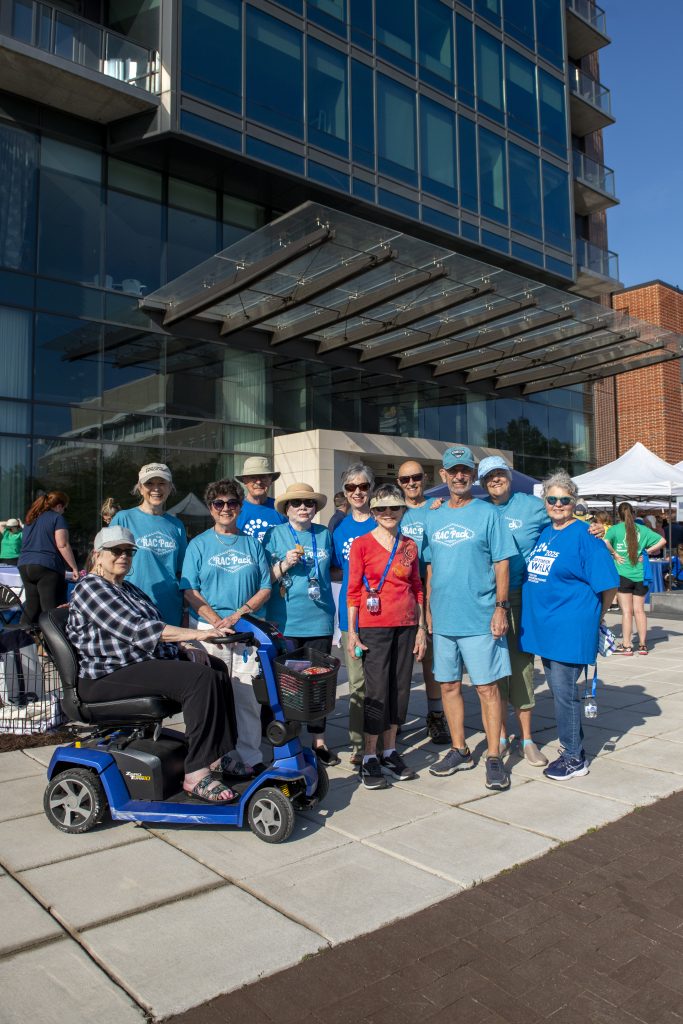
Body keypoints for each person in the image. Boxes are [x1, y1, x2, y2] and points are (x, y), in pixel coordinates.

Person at [67, 526, 239, 803]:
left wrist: (184, 648)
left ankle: (218, 756)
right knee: (198, 680)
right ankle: (195, 773)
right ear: (98, 556)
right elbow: (138, 630)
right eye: (116, 551)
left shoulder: (129, 590)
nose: (123, 556)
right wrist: (198, 634)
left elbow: (154, 635)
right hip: (105, 675)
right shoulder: (91, 587)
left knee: (215, 669)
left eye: (128, 552)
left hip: (134, 665)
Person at [423, 446, 517, 792]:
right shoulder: (433, 515)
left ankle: (493, 756)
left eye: (465, 470)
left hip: (480, 618)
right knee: (448, 686)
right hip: (444, 620)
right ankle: (459, 749)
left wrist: (500, 607)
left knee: (486, 688)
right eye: (453, 471)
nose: (460, 476)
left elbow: (502, 562)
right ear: (443, 476)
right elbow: (430, 566)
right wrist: (429, 609)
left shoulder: (488, 514)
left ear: (471, 476)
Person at [520, 471, 618, 780]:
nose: (558, 504)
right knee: (560, 692)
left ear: (574, 502)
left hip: (570, 627)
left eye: (565, 499)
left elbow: (609, 584)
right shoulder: (547, 532)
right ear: (545, 502)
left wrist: (597, 616)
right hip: (546, 629)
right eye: (553, 499)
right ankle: (575, 745)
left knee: (565, 695)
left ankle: (574, 757)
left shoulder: (586, 536)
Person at [180, 478, 272, 776]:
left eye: (232, 503)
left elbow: (265, 587)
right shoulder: (198, 544)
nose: (226, 508)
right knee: (213, 699)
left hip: (245, 630)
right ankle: (215, 757)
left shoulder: (253, 543)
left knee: (246, 698)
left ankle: (249, 756)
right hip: (209, 631)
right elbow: (190, 589)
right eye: (219, 503)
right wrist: (215, 619)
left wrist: (239, 614)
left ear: (240, 507)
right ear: (210, 508)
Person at [347, 485, 426, 789]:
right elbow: (353, 592)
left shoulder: (409, 546)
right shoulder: (361, 545)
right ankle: (369, 756)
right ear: (373, 512)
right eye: (381, 509)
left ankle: (391, 750)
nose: (388, 514)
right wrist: (352, 632)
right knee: (377, 691)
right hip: (374, 627)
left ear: (403, 510)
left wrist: (421, 628)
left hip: (406, 625)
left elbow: (417, 587)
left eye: (394, 508)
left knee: (400, 689)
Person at [477, 456, 550, 767]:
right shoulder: (478, 509)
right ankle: (502, 734)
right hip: (484, 599)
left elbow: (563, 520)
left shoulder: (531, 506)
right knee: (494, 670)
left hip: (520, 597)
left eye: (499, 473)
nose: (495, 479)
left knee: (521, 667)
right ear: (482, 482)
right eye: (488, 476)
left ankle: (527, 738)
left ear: (509, 475)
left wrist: (593, 530)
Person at [265, 482, 339, 766]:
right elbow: (265, 579)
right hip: (285, 621)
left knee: (318, 682)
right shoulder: (274, 535)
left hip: (319, 621)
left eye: (308, 504)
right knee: (289, 686)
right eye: (296, 503)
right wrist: (284, 564)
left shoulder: (323, 534)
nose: (303, 508)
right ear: (286, 509)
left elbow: (333, 569)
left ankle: (319, 741)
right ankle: (289, 739)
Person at [396, 459, 450, 745]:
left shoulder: (437, 508)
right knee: (401, 660)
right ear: (399, 483)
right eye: (405, 480)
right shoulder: (395, 511)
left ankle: (435, 715)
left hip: (432, 592)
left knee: (430, 659)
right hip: (400, 593)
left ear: (425, 478)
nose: (411, 483)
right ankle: (396, 717)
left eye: (415, 478)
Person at [332, 462, 376, 765]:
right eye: (351, 487)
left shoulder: (384, 521)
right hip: (352, 617)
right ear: (345, 492)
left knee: (381, 681)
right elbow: (339, 569)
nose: (357, 492)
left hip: (382, 616)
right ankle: (359, 744)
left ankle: (383, 738)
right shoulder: (339, 529)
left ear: (371, 489)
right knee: (358, 683)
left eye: (363, 486)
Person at [111, 463, 187, 626]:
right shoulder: (123, 519)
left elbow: (182, 571)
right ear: (140, 487)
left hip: (169, 606)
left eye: (162, 483)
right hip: (132, 604)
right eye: (150, 483)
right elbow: (103, 564)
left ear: (170, 487)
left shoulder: (176, 525)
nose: (156, 489)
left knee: (169, 651)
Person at [604, 502, 666, 656]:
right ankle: (643, 645)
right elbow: (662, 541)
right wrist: (647, 551)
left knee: (626, 612)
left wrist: (615, 554)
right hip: (640, 575)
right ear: (632, 513)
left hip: (623, 574)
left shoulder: (615, 529)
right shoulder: (643, 529)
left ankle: (627, 645)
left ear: (618, 515)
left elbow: (604, 542)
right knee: (639, 610)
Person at [17, 492, 79, 626]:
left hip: (24, 564)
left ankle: (20, 640)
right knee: (49, 609)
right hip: (46, 565)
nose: (63, 512)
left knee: (31, 607)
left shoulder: (30, 519)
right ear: (59, 506)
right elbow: (62, 544)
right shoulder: (57, 518)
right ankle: (50, 645)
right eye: (64, 508)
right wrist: (74, 567)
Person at [235, 456, 286, 541]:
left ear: (271, 480)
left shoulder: (281, 508)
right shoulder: (234, 509)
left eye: (263, 477)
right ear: (244, 481)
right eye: (253, 477)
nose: (258, 482)